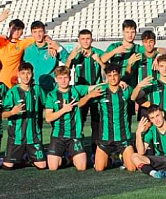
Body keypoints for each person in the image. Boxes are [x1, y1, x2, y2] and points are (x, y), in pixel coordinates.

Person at [45, 66, 102, 171]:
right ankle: (67, 158)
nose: (63, 80)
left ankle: (71, 157)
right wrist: (64, 110)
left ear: (70, 78)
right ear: (56, 79)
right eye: (60, 78)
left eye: (65, 77)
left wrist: (119, 83)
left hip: (75, 135)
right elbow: (48, 118)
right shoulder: (51, 95)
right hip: (58, 136)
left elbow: (95, 87)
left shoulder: (76, 90)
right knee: (53, 167)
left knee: (82, 167)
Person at [65, 29, 105, 157]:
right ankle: (77, 150)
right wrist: (70, 58)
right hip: (80, 94)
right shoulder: (75, 55)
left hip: (97, 93)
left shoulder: (98, 53)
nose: (85, 41)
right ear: (79, 40)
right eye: (83, 39)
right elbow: (64, 72)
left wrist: (99, 61)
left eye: (88, 38)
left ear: (92, 39)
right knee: (78, 122)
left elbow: (108, 70)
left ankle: (95, 151)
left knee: (96, 123)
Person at [89, 63, 136, 172]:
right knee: (99, 168)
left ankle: (121, 156)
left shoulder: (126, 89)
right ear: (106, 76)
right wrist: (89, 96)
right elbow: (81, 103)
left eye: (115, 75)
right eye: (109, 75)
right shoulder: (101, 89)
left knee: (132, 168)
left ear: (119, 75)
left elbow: (138, 96)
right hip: (105, 137)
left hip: (123, 137)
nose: (112, 78)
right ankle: (112, 158)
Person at [2, 62, 46, 169]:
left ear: (32, 74)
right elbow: (3, 114)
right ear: (19, 74)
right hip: (16, 137)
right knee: (8, 167)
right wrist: (12, 112)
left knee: (42, 166)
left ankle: (28, 156)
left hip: (34, 136)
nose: (26, 76)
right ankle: (22, 157)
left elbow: (47, 105)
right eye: (23, 73)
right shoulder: (12, 92)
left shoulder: (37, 89)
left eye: (28, 73)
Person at [0, 10, 35, 87]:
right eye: (14, 28)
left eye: (19, 29)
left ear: (22, 32)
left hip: (10, 85)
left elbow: (40, 37)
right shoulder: (1, 40)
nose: (16, 31)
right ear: (9, 29)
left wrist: (50, 42)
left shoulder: (22, 43)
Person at [23, 21, 69, 94]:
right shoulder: (28, 50)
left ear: (44, 32)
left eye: (40, 31)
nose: (38, 34)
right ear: (31, 34)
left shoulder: (53, 45)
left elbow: (68, 60)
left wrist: (59, 49)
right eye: (35, 32)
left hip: (50, 89)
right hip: (33, 90)